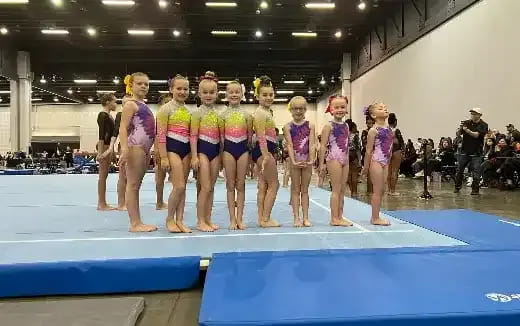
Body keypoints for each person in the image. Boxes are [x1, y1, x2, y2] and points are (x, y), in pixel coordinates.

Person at [118, 73, 157, 232]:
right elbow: (123, 127)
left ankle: (137, 221)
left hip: (144, 149)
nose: (143, 86)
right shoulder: (130, 105)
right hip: (135, 147)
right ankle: (135, 223)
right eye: (139, 83)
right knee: (133, 185)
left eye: (146, 84)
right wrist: (125, 148)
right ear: (131, 86)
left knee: (136, 185)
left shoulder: (143, 104)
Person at [157, 75, 192, 233]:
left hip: (186, 150)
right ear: (171, 89)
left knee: (183, 188)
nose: (182, 91)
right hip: (172, 149)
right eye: (179, 88)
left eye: (185, 89)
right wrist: (163, 157)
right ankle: (169, 219)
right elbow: (161, 135)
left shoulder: (187, 111)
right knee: (178, 186)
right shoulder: (165, 109)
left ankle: (180, 220)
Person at [190, 71, 222, 232]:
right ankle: (200, 220)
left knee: (212, 187)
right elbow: (193, 136)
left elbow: (221, 137)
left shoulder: (218, 114)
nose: (208, 95)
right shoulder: (196, 113)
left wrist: (222, 155)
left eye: (212, 92)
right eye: (205, 92)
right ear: (199, 94)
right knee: (205, 187)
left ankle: (208, 218)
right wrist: (194, 156)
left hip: (215, 152)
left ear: (217, 93)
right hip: (202, 151)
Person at [220, 81, 252, 230]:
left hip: (243, 150)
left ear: (242, 94)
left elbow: (250, 139)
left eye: (237, 92)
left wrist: (251, 157)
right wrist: (220, 157)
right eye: (231, 92)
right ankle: (232, 219)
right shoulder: (223, 115)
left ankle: (240, 218)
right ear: (226, 95)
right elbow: (221, 139)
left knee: (241, 184)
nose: (234, 94)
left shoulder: (247, 115)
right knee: (230, 185)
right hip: (228, 150)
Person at [319, 96, 352, 227]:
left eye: (342, 107)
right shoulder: (328, 126)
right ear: (331, 109)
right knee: (336, 190)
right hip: (334, 158)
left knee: (343, 190)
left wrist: (347, 158)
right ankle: (334, 218)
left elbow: (347, 144)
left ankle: (340, 216)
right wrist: (321, 164)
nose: (340, 110)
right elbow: (322, 145)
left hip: (345, 158)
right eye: (336, 107)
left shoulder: (346, 125)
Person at [252, 76, 280, 228]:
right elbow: (261, 135)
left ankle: (261, 218)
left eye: (271, 94)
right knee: (274, 184)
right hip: (264, 150)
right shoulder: (261, 113)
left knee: (263, 184)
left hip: (265, 149)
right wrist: (265, 155)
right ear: (257, 96)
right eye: (265, 95)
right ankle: (266, 218)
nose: (268, 97)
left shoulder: (266, 112)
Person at [284, 96, 315, 227]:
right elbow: (290, 145)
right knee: (295, 190)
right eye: (295, 109)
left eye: (301, 109)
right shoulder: (288, 127)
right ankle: (296, 217)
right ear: (291, 110)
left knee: (305, 190)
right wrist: (293, 161)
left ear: (305, 109)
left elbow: (312, 144)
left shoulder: (310, 125)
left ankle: (306, 217)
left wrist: (312, 159)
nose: (298, 111)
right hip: (295, 161)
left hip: (307, 161)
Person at [99, 94, 132, 211]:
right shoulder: (117, 115)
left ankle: (126, 201)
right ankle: (117, 202)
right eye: (124, 104)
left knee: (129, 177)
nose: (118, 104)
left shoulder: (133, 114)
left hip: (132, 146)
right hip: (120, 146)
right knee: (120, 175)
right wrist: (107, 149)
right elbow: (112, 134)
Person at [362, 103, 392, 226]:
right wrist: (365, 167)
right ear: (374, 115)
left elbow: (390, 148)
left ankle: (377, 214)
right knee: (377, 190)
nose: (384, 109)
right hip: (376, 161)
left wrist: (389, 162)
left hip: (386, 162)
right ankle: (375, 218)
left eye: (385, 107)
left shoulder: (389, 129)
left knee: (382, 189)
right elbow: (368, 151)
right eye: (380, 108)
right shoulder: (373, 131)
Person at [454, 108, 488, 195]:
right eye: (472, 113)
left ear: (480, 115)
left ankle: (475, 190)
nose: (473, 115)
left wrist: (467, 130)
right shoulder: (466, 123)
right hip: (465, 151)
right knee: (459, 170)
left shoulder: (483, 125)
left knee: (476, 171)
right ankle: (457, 187)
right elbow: (458, 134)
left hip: (477, 152)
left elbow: (476, 135)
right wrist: (460, 128)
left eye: (475, 113)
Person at [96, 93, 117, 210]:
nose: (116, 104)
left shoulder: (109, 116)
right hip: (103, 146)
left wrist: (112, 151)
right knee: (102, 176)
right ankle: (101, 203)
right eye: (114, 101)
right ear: (108, 102)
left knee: (105, 175)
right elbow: (101, 136)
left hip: (108, 147)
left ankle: (103, 202)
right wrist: (100, 153)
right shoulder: (102, 115)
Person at [154, 93, 173, 210]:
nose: (168, 105)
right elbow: (157, 134)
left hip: (173, 148)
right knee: (160, 177)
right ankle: (159, 202)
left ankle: (173, 201)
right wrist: (157, 150)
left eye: (170, 102)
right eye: (166, 103)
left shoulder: (175, 116)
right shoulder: (160, 115)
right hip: (162, 148)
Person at [387, 113, 404, 196]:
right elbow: (401, 142)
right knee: (395, 171)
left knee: (389, 172)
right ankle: (393, 190)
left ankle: (389, 189)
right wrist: (403, 152)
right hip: (396, 151)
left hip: (387, 151)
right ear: (395, 122)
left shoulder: (385, 130)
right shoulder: (396, 131)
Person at [346, 119, 361, 197]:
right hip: (353, 155)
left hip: (346, 156)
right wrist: (359, 160)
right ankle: (354, 192)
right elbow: (358, 148)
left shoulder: (344, 135)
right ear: (352, 128)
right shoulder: (355, 136)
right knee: (354, 175)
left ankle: (352, 190)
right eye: (355, 127)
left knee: (348, 175)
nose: (356, 129)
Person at [361, 115, 375, 194]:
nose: (369, 124)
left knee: (374, 173)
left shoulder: (376, 131)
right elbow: (364, 144)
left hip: (376, 153)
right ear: (366, 123)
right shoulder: (365, 132)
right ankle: (369, 191)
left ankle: (373, 190)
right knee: (369, 173)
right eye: (368, 123)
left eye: (371, 123)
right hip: (368, 153)